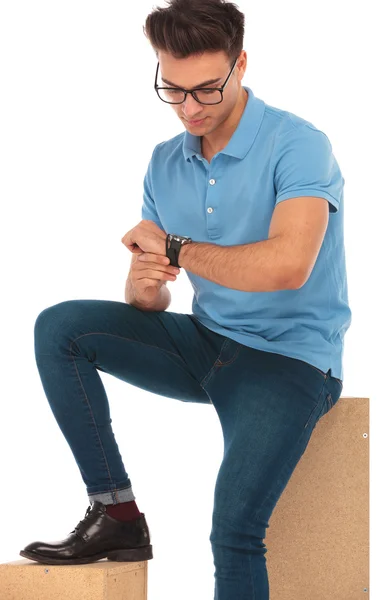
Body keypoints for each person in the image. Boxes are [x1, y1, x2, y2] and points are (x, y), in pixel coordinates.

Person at [20, 0, 351, 598]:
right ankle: (116, 514)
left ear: (240, 64)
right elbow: (150, 296)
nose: (190, 108)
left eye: (205, 90)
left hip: (291, 362)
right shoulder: (164, 162)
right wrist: (145, 285)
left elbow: (288, 266)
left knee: (234, 531)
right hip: (204, 343)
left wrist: (176, 247)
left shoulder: (299, 144)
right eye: (172, 90)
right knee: (58, 328)